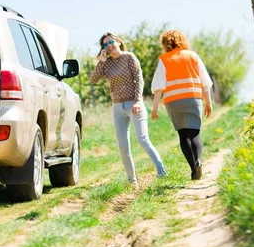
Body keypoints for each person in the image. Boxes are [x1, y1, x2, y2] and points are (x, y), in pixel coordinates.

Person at [90, 32, 167, 189]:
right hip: (117, 107)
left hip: (134, 104)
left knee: (142, 139)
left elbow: (139, 79)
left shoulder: (129, 57)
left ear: (118, 41)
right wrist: (102, 61)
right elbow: (93, 79)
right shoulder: (106, 63)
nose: (109, 45)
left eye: (111, 42)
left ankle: (162, 172)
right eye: (105, 44)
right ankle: (132, 181)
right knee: (123, 146)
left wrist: (138, 100)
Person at [151, 30, 213, 180]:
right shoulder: (192, 56)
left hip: (173, 101)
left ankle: (193, 168)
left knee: (183, 135)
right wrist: (208, 103)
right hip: (193, 99)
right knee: (194, 133)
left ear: (165, 44)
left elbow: (159, 86)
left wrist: (154, 107)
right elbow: (205, 82)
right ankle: (198, 161)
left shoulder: (164, 59)